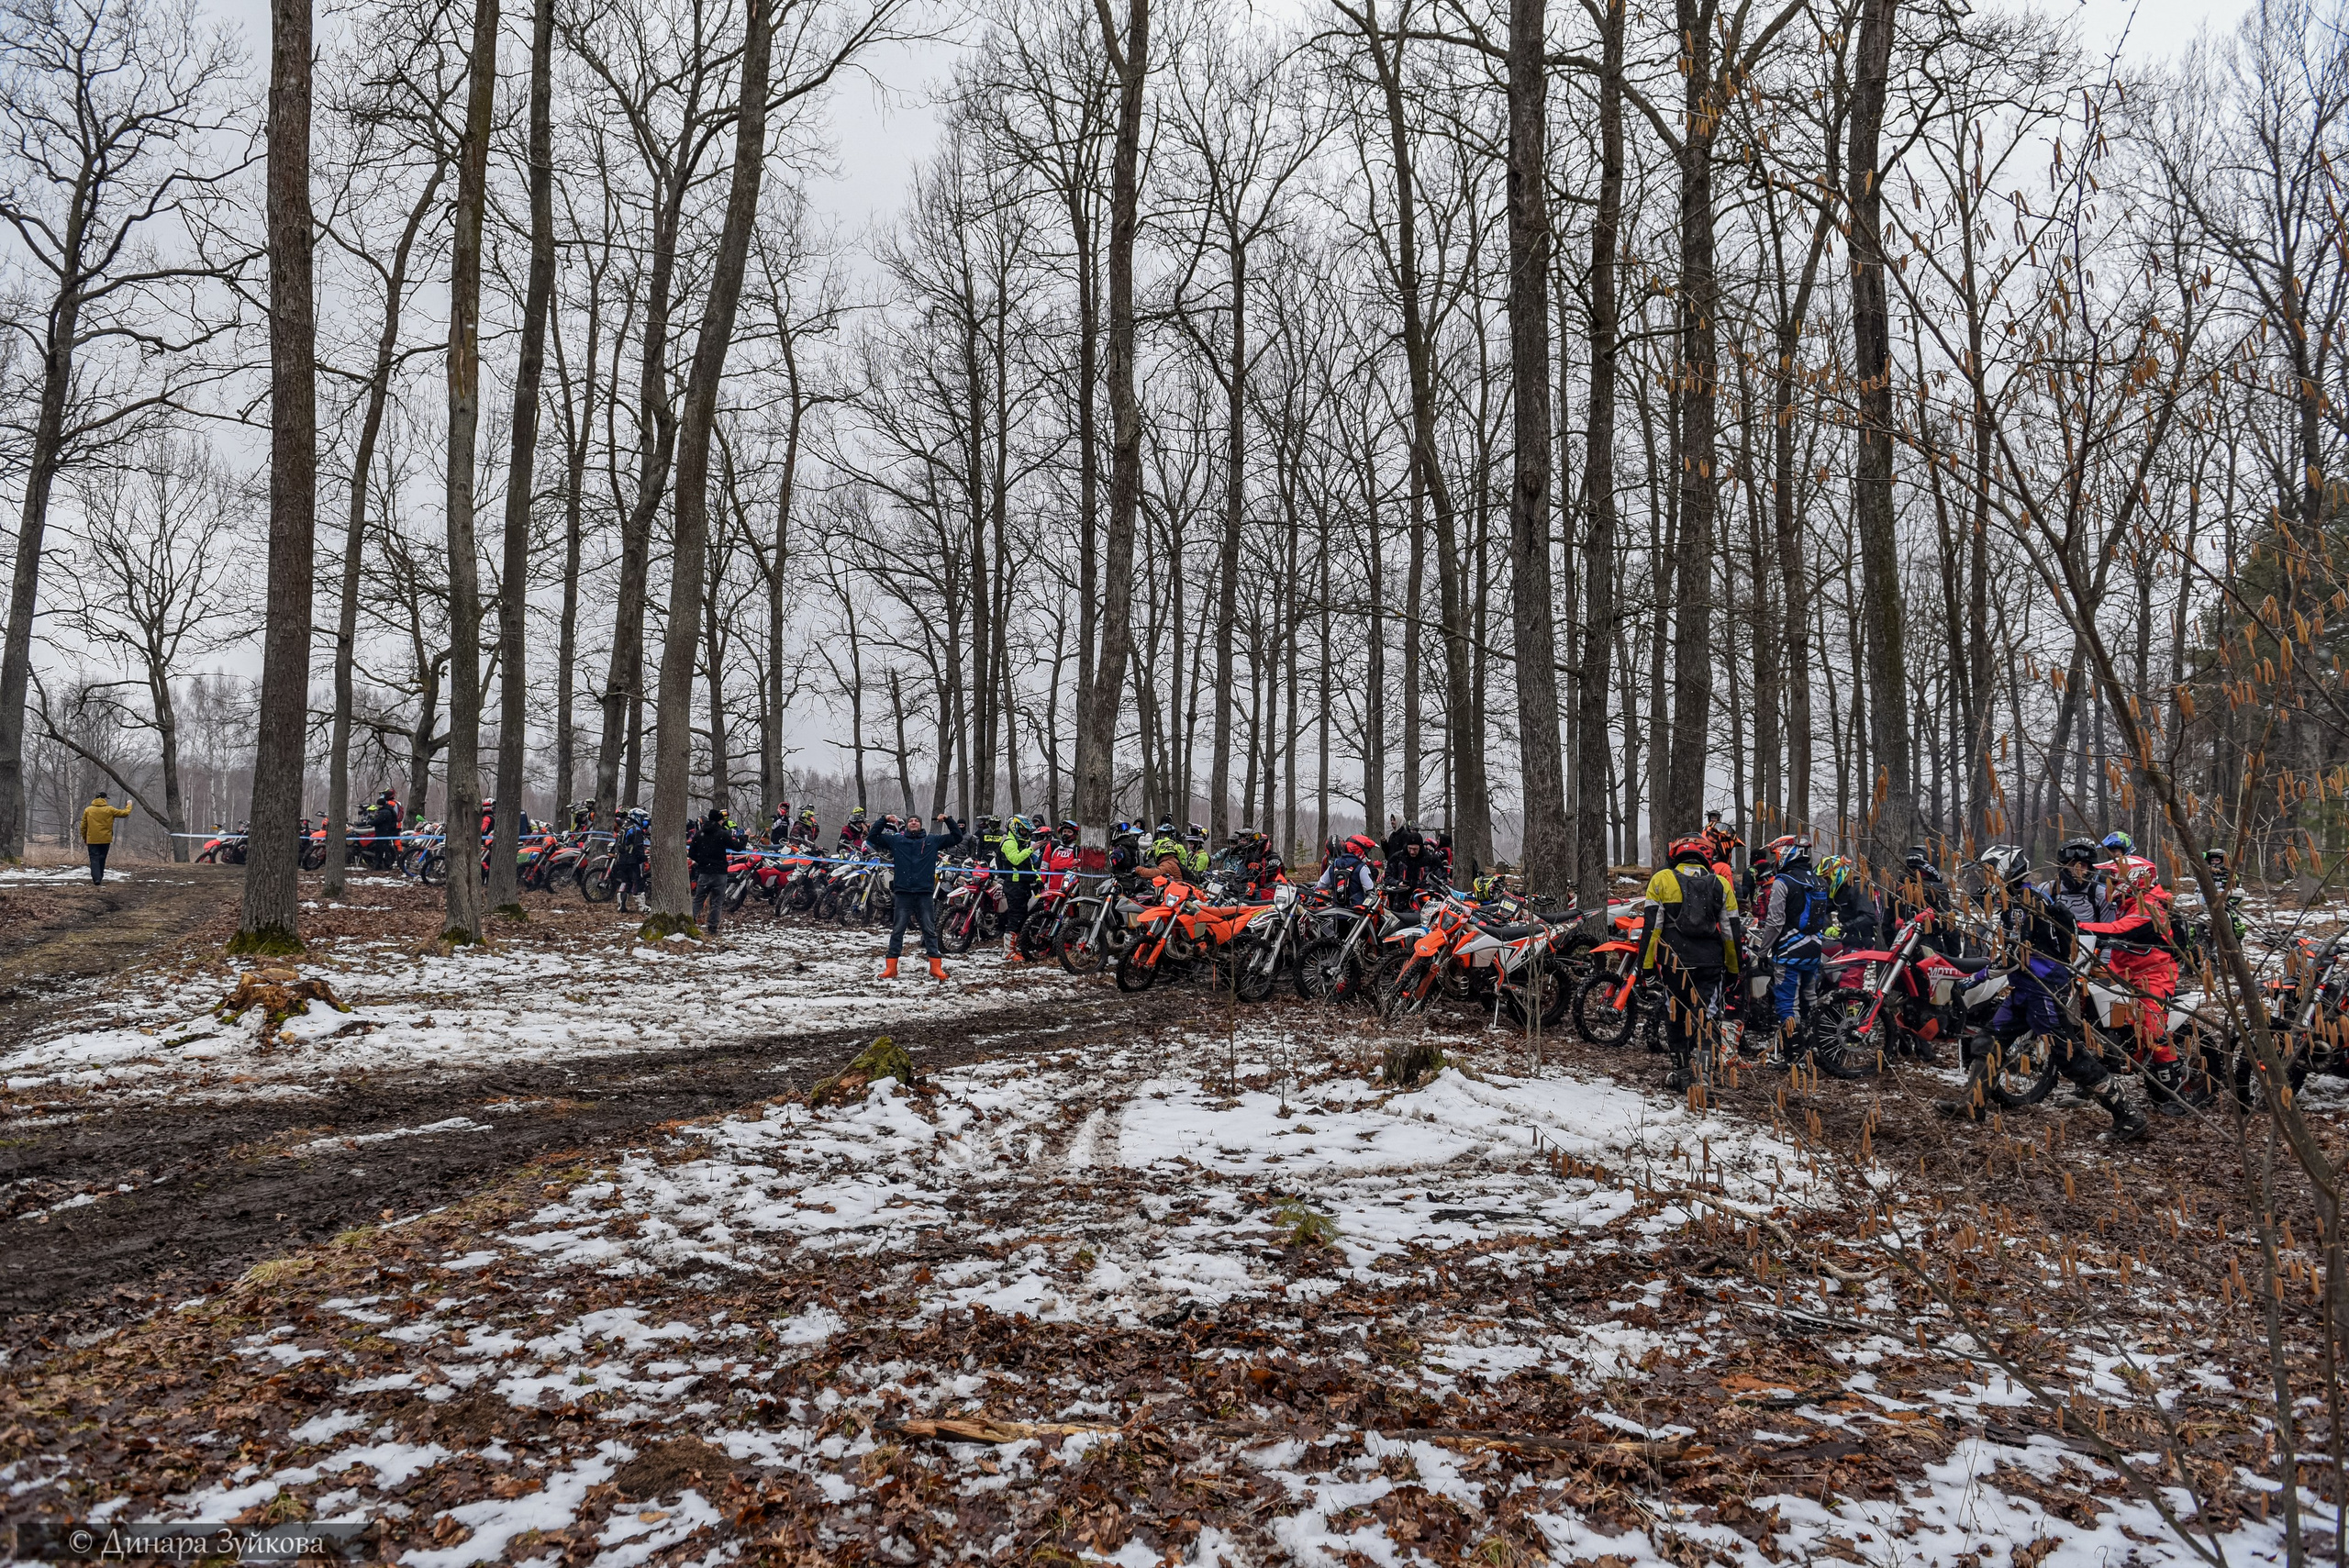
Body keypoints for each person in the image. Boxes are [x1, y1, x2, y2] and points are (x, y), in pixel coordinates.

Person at [1940, 844, 2146, 1142]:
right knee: (1988, 1041)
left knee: (2069, 1058)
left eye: (1989, 872)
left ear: (2004, 871)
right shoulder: (2016, 900)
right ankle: (1973, 1104)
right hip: (2026, 988)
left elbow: (2014, 955)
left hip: (2045, 990)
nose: (1985, 879)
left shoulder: (2027, 903)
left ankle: (2128, 1115)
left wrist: (1975, 979)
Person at [2082, 855, 2194, 1114]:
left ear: (2132, 879)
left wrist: (2076, 926)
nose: (2108, 883)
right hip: (2123, 971)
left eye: (2113, 878)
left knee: (2152, 1030)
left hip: (2153, 973)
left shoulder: (2151, 904)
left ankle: (2173, 1097)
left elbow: (2120, 930)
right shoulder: (2128, 902)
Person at [1639, 836, 1740, 1093]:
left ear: (1675, 855)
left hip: (1674, 963)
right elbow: (1731, 932)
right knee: (1708, 1017)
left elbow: (1652, 930)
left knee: (1675, 1016)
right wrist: (1733, 969)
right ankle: (1704, 1074)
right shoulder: (1720, 884)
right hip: (1710, 963)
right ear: (1707, 857)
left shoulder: (1662, 879)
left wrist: (1647, 968)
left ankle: (1683, 1072)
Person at [1750, 840, 1834, 1056]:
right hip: (1814, 950)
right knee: (1810, 998)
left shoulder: (1783, 881)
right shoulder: (1820, 881)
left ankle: (1793, 1053)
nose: (1776, 861)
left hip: (1789, 952)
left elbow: (1775, 921)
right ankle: (1815, 1046)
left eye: (1777, 856)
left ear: (1787, 855)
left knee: (1788, 1003)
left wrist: (1763, 951)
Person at [872, 811, 963, 980]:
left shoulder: (932, 841)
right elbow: (873, 836)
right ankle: (891, 969)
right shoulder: (897, 840)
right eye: (911, 821)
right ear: (906, 825)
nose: (914, 822)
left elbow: (957, 837)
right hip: (903, 893)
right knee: (898, 930)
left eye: (916, 821)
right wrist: (884, 820)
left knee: (929, 930)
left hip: (924, 893)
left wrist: (949, 820)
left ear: (921, 825)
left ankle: (935, 968)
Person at [689, 806, 744, 934]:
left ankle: (689, 921)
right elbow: (737, 847)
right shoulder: (722, 834)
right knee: (717, 902)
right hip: (720, 872)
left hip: (704, 872)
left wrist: (702, 860)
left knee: (698, 898)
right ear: (719, 821)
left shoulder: (699, 834)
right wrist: (744, 837)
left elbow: (691, 853)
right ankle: (712, 927)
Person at [996, 814, 1040, 960]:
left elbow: (1029, 865)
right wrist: (1032, 849)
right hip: (1013, 885)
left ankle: (1016, 946)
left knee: (1022, 916)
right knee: (1015, 917)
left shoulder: (1022, 844)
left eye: (1027, 832)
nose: (1025, 834)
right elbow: (1015, 859)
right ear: (1015, 829)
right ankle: (1008, 951)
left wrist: (1038, 879)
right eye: (1023, 831)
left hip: (1024, 885)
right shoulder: (1009, 842)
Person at [78, 791, 133, 884]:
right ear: (104, 799)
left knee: (94, 858)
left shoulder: (88, 810)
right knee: (102, 858)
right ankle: (100, 877)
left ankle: (96, 878)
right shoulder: (110, 809)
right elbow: (124, 813)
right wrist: (129, 805)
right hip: (105, 839)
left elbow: (83, 826)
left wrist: (85, 838)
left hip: (92, 839)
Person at [1318, 835, 1377, 906]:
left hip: (1336, 911)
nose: (1366, 854)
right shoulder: (1362, 867)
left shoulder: (1334, 865)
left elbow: (1321, 885)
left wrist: (1335, 885)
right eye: (1365, 851)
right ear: (1358, 850)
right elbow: (1370, 889)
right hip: (1357, 912)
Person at [613, 807, 651, 913]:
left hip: (620, 859)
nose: (644, 820)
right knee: (638, 881)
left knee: (625, 882)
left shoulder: (624, 826)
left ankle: (621, 906)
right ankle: (642, 906)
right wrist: (642, 858)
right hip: (631, 860)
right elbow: (638, 846)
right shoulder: (636, 829)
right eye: (643, 818)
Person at [1384, 819, 1431, 899]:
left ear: (1420, 847)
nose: (1412, 852)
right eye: (1410, 848)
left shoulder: (1429, 859)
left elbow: (1440, 881)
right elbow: (1387, 878)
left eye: (1415, 849)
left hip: (1422, 900)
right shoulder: (1397, 858)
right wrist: (1398, 883)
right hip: (1400, 899)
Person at [1233, 828, 1286, 899]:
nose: (1241, 842)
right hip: (1246, 889)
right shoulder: (1247, 855)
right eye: (1241, 840)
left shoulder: (1260, 857)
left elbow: (1256, 876)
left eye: (1244, 840)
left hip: (1264, 892)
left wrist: (1248, 892)